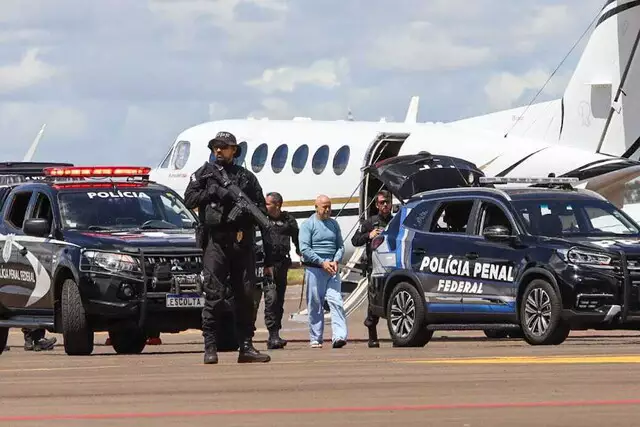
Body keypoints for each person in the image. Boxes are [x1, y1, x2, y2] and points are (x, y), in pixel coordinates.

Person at [184, 131, 272, 365]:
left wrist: (246, 212)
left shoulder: (246, 178)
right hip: (215, 242)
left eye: (224, 147)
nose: (219, 151)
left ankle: (246, 346)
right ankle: (210, 346)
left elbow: (261, 209)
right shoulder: (204, 174)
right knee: (213, 294)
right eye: (215, 147)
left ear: (234, 150)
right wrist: (211, 192)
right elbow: (189, 200)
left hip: (242, 243)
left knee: (245, 295)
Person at [299, 194, 347, 348]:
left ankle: (339, 336)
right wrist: (321, 263)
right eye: (324, 207)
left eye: (329, 207)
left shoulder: (334, 224)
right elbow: (304, 248)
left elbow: (340, 246)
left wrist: (335, 260)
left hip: (332, 268)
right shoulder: (308, 225)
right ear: (316, 207)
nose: (327, 210)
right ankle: (315, 337)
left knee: (336, 301)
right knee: (315, 303)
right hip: (315, 269)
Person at [351, 190, 394, 348]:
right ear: (376, 205)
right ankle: (372, 333)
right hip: (374, 267)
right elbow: (355, 240)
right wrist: (369, 235)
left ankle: (396, 334)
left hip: (391, 266)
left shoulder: (395, 221)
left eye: (387, 202)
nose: (385, 205)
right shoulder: (370, 222)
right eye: (381, 203)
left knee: (391, 300)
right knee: (374, 300)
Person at [261, 191, 300, 349]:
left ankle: (276, 334)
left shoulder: (288, 220)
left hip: (282, 264)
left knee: (280, 301)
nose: (265, 206)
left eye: (268, 203)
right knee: (271, 299)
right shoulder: (262, 219)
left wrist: (301, 251)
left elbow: (297, 238)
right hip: (268, 265)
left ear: (277, 205)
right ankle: (272, 335)